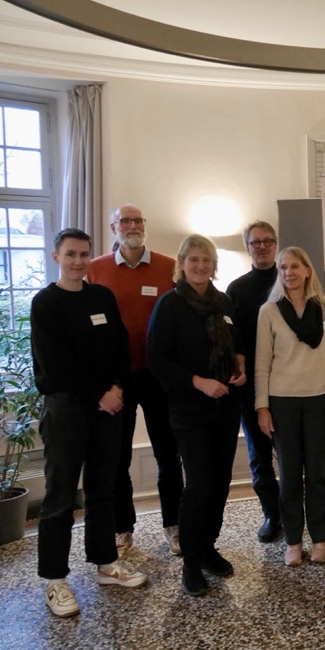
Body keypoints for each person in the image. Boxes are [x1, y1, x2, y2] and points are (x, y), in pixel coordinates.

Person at [31, 228, 146, 618]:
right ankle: (54, 580)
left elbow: (118, 345)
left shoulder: (101, 296)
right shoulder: (45, 303)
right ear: (56, 257)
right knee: (60, 496)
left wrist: (116, 388)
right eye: (70, 254)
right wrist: (102, 391)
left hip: (106, 409)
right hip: (66, 410)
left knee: (103, 490)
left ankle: (105, 563)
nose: (78, 261)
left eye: (84, 254)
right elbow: (56, 362)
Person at [148, 234, 246, 596]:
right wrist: (199, 382)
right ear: (182, 264)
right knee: (199, 485)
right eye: (193, 260)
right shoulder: (169, 305)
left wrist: (240, 366)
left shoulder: (222, 301)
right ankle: (190, 561)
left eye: (206, 260)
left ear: (214, 264)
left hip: (225, 406)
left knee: (220, 483)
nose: (200, 266)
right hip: (190, 408)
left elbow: (238, 345)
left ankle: (208, 547)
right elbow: (157, 360)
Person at [87, 204, 183, 559]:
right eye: (125, 221)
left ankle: (174, 526)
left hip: (159, 376)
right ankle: (122, 528)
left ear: (145, 225)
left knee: (168, 455)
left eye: (138, 220)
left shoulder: (168, 266)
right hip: (118, 380)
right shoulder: (95, 269)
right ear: (113, 226)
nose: (132, 226)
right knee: (117, 459)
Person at [254, 247, 325, 566]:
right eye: (283, 267)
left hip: (319, 399)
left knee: (317, 474)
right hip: (283, 402)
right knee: (288, 475)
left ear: (308, 270)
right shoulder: (269, 311)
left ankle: (321, 538)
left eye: (295, 266)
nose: (289, 273)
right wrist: (263, 407)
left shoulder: (324, 309)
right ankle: (293, 540)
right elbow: (261, 364)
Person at [226, 221, 282, 543]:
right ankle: (271, 515)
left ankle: (294, 512)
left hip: (288, 385)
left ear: (276, 245)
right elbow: (231, 338)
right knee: (260, 456)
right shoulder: (235, 289)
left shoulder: (289, 278)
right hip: (250, 389)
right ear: (247, 247)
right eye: (255, 242)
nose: (262, 247)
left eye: (268, 241)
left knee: (290, 456)